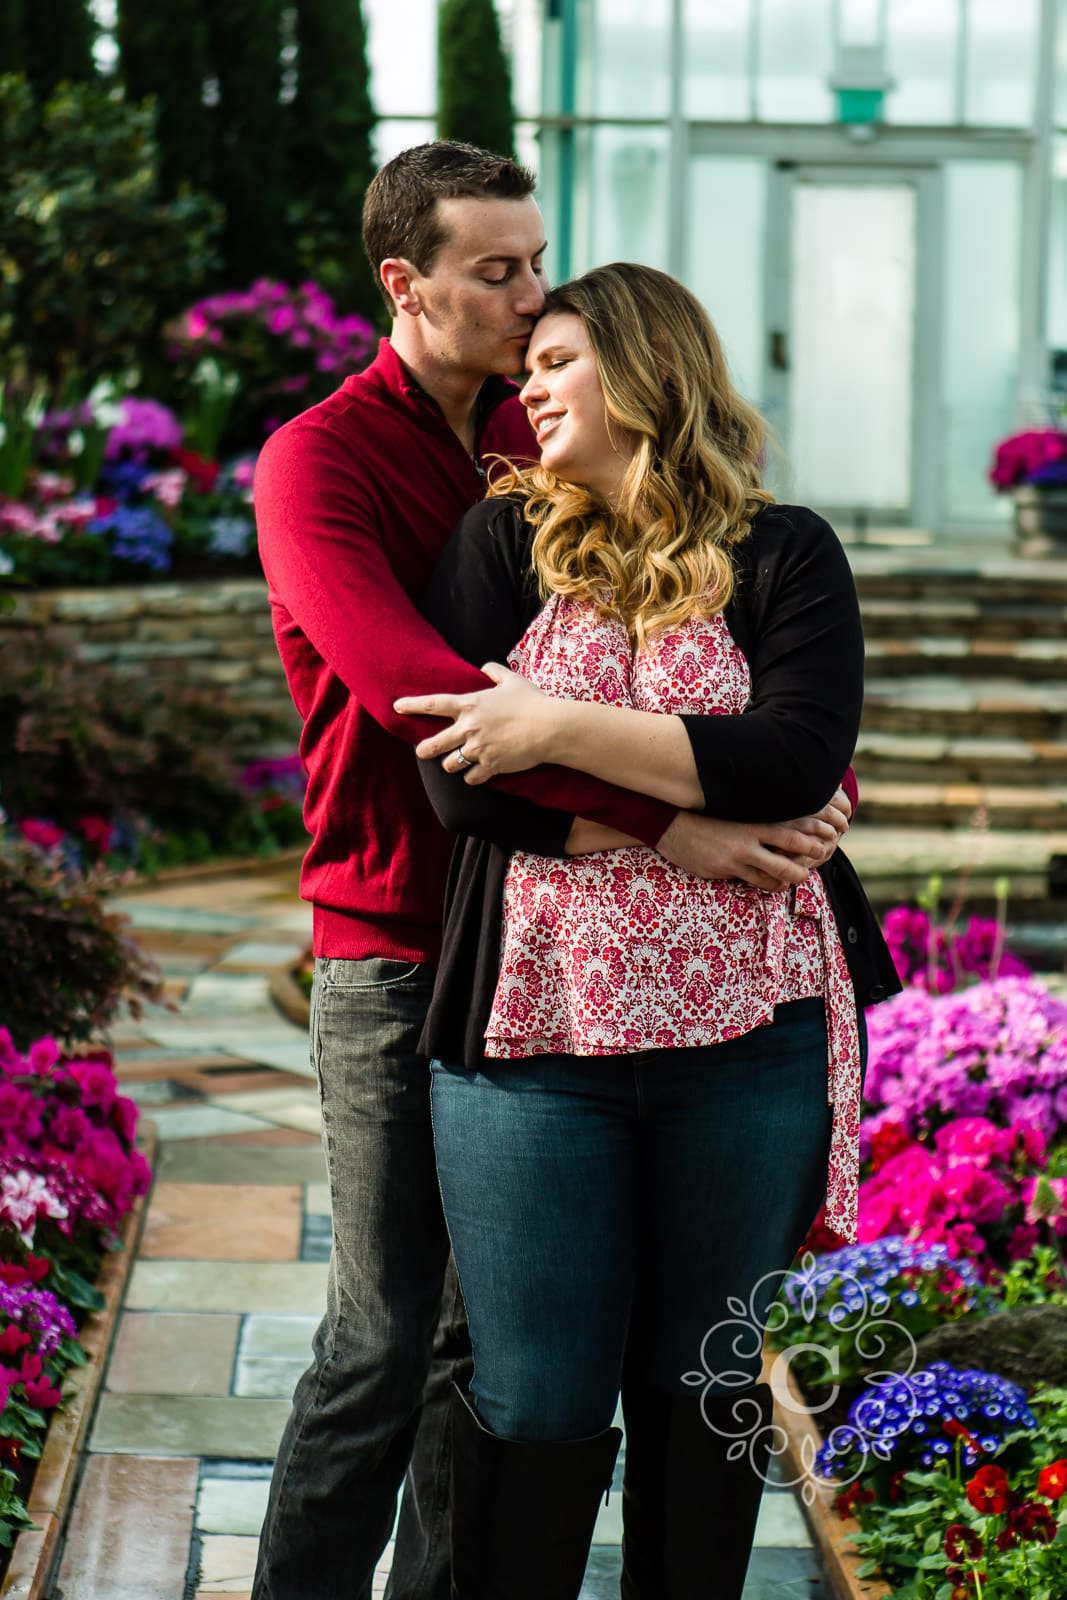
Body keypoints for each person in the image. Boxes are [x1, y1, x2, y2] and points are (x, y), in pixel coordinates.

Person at [251, 145, 847, 1600]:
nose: (531, 305)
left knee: (491, 1358)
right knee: (385, 1338)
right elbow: (428, 707)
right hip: (401, 940)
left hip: (552, 955)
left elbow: (772, 727)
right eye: (500, 274)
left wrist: (716, 787)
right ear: (408, 283)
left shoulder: (535, 457)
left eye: (541, 269)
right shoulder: (320, 457)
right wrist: (672, 824)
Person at [396, 262, 900, 1599]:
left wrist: (551, 728)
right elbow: (453, 775)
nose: (529, 384)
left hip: (752, 1050)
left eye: (556, 359)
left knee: (711, 1382)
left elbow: (792, 759)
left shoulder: (786, 551)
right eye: (526, 367)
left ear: (642, 367)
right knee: (534, 1398)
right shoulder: (502, 545)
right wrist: (681, 815)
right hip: (532, 1045)